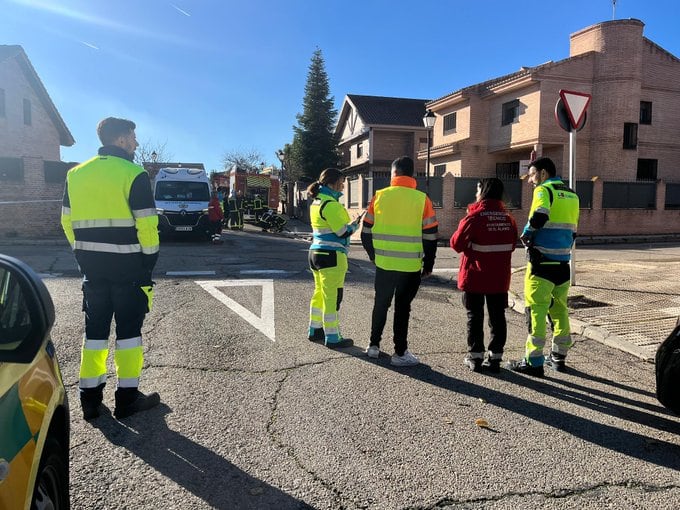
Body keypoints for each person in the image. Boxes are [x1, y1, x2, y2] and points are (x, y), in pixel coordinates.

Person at [60, 117, 161, 420]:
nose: (136, 143)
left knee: (94, 335)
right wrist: (148, 262)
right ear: (121, 139)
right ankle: (127, 399)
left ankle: (89, 399)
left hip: (93, 270)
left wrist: (83, 255)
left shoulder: (75, 174)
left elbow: (66, 221)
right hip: (129, 270)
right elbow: (147, 225)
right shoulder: (134, 174)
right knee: (129, 335)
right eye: (133, 137)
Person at [361, 156, 438, 366]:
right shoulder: (422, 199)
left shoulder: (379, 197)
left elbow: (365, 231)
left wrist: (373, 255)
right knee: (402, 309)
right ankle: (400, 353)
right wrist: (429, 265)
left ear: (393, 174)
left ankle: (373, 346)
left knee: (380, 304)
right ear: (412, 175)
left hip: (384, 265)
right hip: (410, 267)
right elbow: (431, 237)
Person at [509, 157, 580, 376]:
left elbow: (540, 215)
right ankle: (558, 357)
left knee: (536, 311)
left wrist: (527, 234)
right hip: (562, 263)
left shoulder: (543, 190)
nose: (530, 180)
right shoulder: (572, 195)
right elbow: (573, 229)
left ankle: (534, 362)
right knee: (559, 310)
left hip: (541, 263)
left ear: (542, 173)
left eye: (531, 175)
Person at [451, 178, 518, 373]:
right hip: (499, 277)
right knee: (497, 316)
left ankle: (475, 357)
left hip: (475, 276)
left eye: (477, 189)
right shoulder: (509, 219)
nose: (475, 193)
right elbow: (512, 245)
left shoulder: (474, 217)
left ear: (484, 191)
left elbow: (456, 244)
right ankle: (495, 357)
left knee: (475, 315)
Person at [307, 168, 358, 348]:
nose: (343, 186)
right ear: (332, 183)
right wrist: (355, 225)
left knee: (319, 293)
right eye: (341, 182)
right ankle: (333, 336)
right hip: (332, 256)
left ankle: (314, 329)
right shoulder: (331, 204)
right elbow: (342, 231)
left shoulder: (317, 202)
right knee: (332, 296)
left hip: (315, 253)